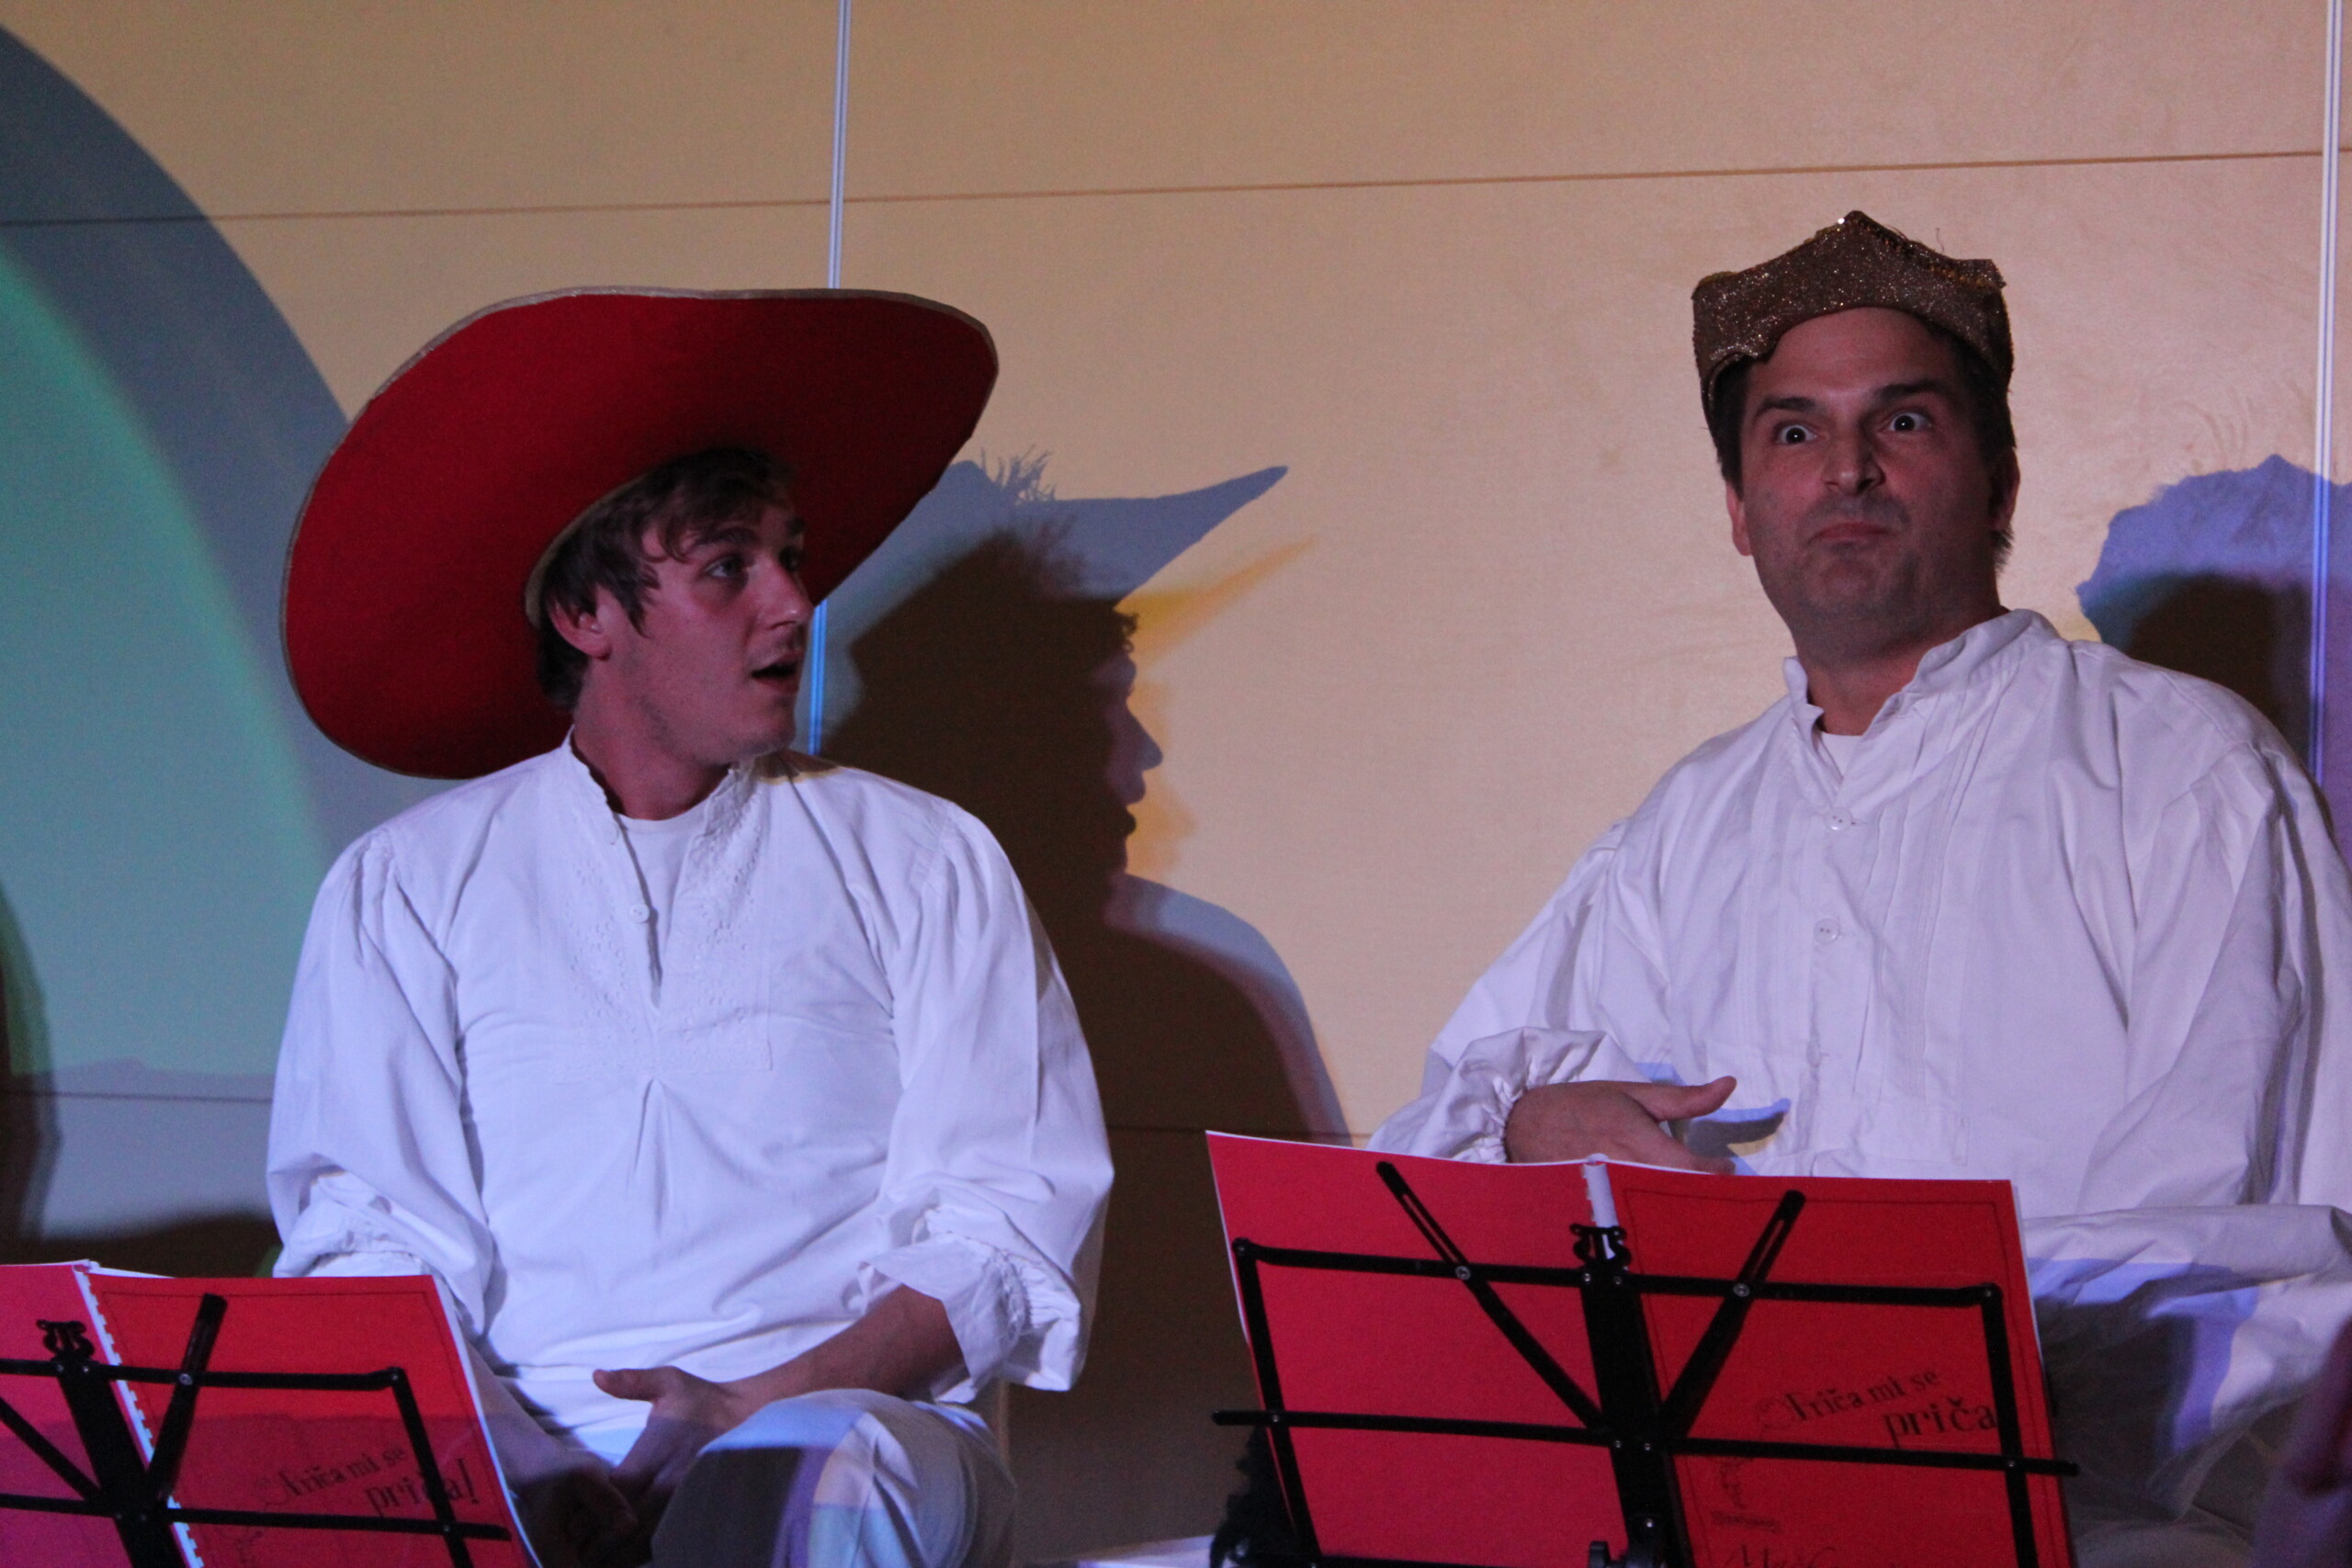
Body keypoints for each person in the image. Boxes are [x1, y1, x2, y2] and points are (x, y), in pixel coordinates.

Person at [1372, 212, 2352, 1564]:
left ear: (2000, 483)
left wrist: (1899, 1402)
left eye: (1902, 421)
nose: (1845, 469)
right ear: (1738, 513)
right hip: (1720, 1514)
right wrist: (1535, 1124)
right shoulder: (1685, 824)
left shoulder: (2183, 769)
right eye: (1792, 432)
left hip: (2091, 1519)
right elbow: (1427, 1167)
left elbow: (2259, 1237)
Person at [266, 290, 1113, 1568]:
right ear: (586, 617)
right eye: (729, 567)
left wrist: (749, 1408)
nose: (793, 603)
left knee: (808, 1480)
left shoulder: (924, 860)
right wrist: (524, 1469)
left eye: (791, 556)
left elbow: (1005, 1222)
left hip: (844, 1422)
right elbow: (368, 1241)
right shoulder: (409, 884)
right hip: (517, 1440)